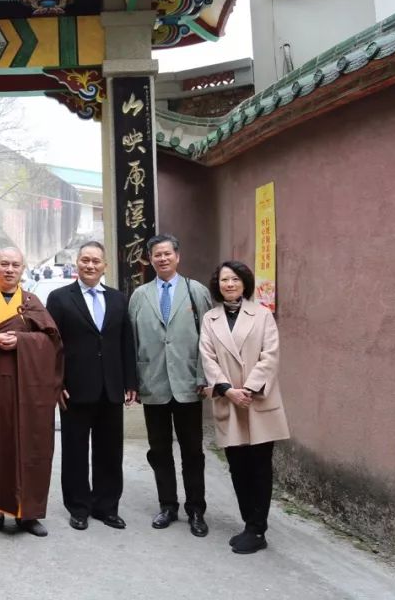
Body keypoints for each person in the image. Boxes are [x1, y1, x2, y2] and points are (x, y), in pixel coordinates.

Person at [0, 247, 63, 538]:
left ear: (23, 269)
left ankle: (28, 513)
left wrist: (22, 341)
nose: (9, 269)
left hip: (29, 388)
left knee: (32, 445)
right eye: (4, 264)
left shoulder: (32, 302)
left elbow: (52, 342)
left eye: (15, 265)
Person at [200, 261, 289, 554]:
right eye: (224, 279)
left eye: (235, 279)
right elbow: (207, 358)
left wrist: (247, 389)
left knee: (260, 467)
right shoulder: (210, 319)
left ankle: (257, 529)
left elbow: (270, 356)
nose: (229, 284)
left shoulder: (262, 315)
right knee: (238, 467)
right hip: (229, 400)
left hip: (256, 400)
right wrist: (227, 390)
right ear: (218, 284)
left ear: (244, 283)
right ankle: (248, 522)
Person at [46, 241, 136, 531]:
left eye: (96, 261)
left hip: (111, 387)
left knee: (110, 451)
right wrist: (56, 383)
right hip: (74, 388)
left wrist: (130, 381)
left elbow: (126, 342)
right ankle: (79, 507)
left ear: (105, 266)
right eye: (85, 260)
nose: (90, 265)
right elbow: (52, 345)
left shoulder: (119, 299)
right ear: (76, 263)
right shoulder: (59, 299)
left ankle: (107, 507)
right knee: (74, 450)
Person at [129, 233, 213, 537]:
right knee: (159, 450)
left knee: (193, 451)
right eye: (156, 255)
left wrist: (204, 377)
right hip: (154, 385)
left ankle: (196, 509)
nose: (162, 259)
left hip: (189, 383)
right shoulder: (140, 295)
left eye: (167, 254)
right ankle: (168, 505)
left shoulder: (196, 291)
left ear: (177, 257)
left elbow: (208, 338)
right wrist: (134, 381)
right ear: (150, 260)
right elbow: (133, 341)